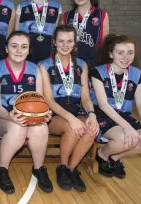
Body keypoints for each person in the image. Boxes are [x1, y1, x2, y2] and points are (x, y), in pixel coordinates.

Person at [39, 25, 99, 192]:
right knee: (71, 128)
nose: (65, 45)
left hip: (76, 111)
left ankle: (72, 169)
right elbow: (48, 100)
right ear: (54, 42)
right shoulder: (44, 65)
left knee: (92, 129)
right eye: (61, 41)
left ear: (75, 43)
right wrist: (71, 119)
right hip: (54, 114)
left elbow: (86, 98)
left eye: (69, 41)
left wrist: (92, 114)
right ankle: (62, 167)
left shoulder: (82, 65)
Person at [0, 31, 53, 194]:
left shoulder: (35, 70)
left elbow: (40, 100)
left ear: (29, 50)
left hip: (30, 116)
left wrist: (45, 113)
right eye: (14, 46)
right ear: (7, 49)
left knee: (41, 127)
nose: (19, 50)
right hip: (4, 118)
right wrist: (9, 116)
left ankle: (39, 168)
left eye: (24, 47)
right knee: (17, 127)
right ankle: (2, 169)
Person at [90, 34, 141, 179]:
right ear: (111, 53)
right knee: (125, 138)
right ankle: (102, 155)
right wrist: (127, 127)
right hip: (103, 115)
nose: (125, 57)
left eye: (130, 52)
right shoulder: (98, 72)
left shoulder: (136, 74)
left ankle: (115, 158)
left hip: (123, 115)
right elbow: (103, 105)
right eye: (120, 52)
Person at [15, 0, 62, 64]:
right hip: (26, 54)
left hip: (48, 54)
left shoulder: (56, 6)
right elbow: (17, 33)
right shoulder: (22, 6)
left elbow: (55, 33)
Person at [63, 0, 109, 70]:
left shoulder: (101, 14)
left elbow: (105, 43)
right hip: (71, 63)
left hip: (94, 64)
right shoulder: (67, 16)